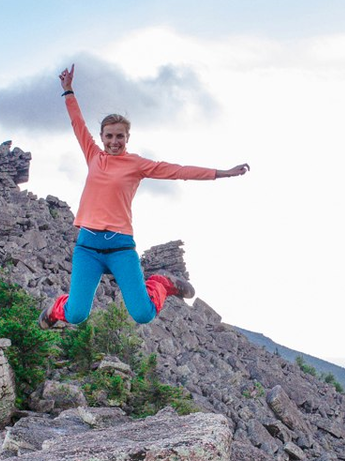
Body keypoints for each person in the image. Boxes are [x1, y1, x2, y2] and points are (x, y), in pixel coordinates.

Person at [40, 64, 250, 328]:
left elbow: (177, 171)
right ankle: (56, 308)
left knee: (143, 313)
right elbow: (77, 123)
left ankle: (161, 283)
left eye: (120, 136)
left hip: (120, 247)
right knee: (76, 315)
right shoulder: (94, 155)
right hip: (88, 248)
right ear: (102, 137)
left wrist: (222, 173)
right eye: (109, 136)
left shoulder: (136, 164)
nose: (114, 141)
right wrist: (68, 91)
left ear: (128, 137)